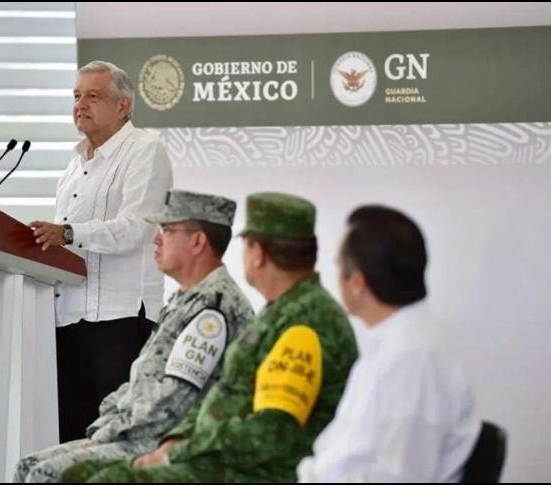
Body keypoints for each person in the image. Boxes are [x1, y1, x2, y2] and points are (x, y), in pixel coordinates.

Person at [63, 192, 357, 483]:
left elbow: (270, 433)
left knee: (104, 479)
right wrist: (176, 443)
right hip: (222, 455)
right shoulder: (281, 312)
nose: (157, 238)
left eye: (166, 230)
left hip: (256, 471)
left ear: (258, 254)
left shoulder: (304, 323)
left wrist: (178, 451)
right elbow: (222, 401)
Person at [14, 190, 253, 482]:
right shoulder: (185, 300)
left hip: (172, 445)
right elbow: (140, 381)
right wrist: (103, 426)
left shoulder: (213, 308)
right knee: (27, 466)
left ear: (197, 241)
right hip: (138, 435)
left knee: (45, 475)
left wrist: (107, 433)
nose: (156, 238)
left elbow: (173, 400)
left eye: (167, 230)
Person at [28, 60, 173, 442]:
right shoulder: (73, 168)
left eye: (94, 96)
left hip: (121, 320)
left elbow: (134, 229)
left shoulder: (146, 150)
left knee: (120, 440)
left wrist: (68, 232)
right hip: (69, 320)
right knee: (74, 440)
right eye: (76, 96)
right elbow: (65, 246)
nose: (80, 104)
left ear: (123, 105)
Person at [297, 205, 480, 482]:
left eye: (337, 264)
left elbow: (400, 475)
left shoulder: (414, 359)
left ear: (358, 283)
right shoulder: (392, 344)